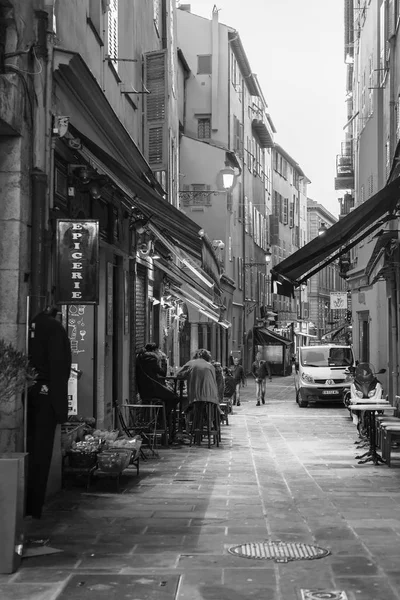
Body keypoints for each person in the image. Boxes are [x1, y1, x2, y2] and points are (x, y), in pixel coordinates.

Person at [27, 305, 72, 519]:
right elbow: (59, 366)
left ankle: (28, 504)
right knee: (41, 450)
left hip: (29, 392)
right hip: (46, 396)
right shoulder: (55, 328)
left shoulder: (31, 324)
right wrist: (60, 407)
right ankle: (33, 506)